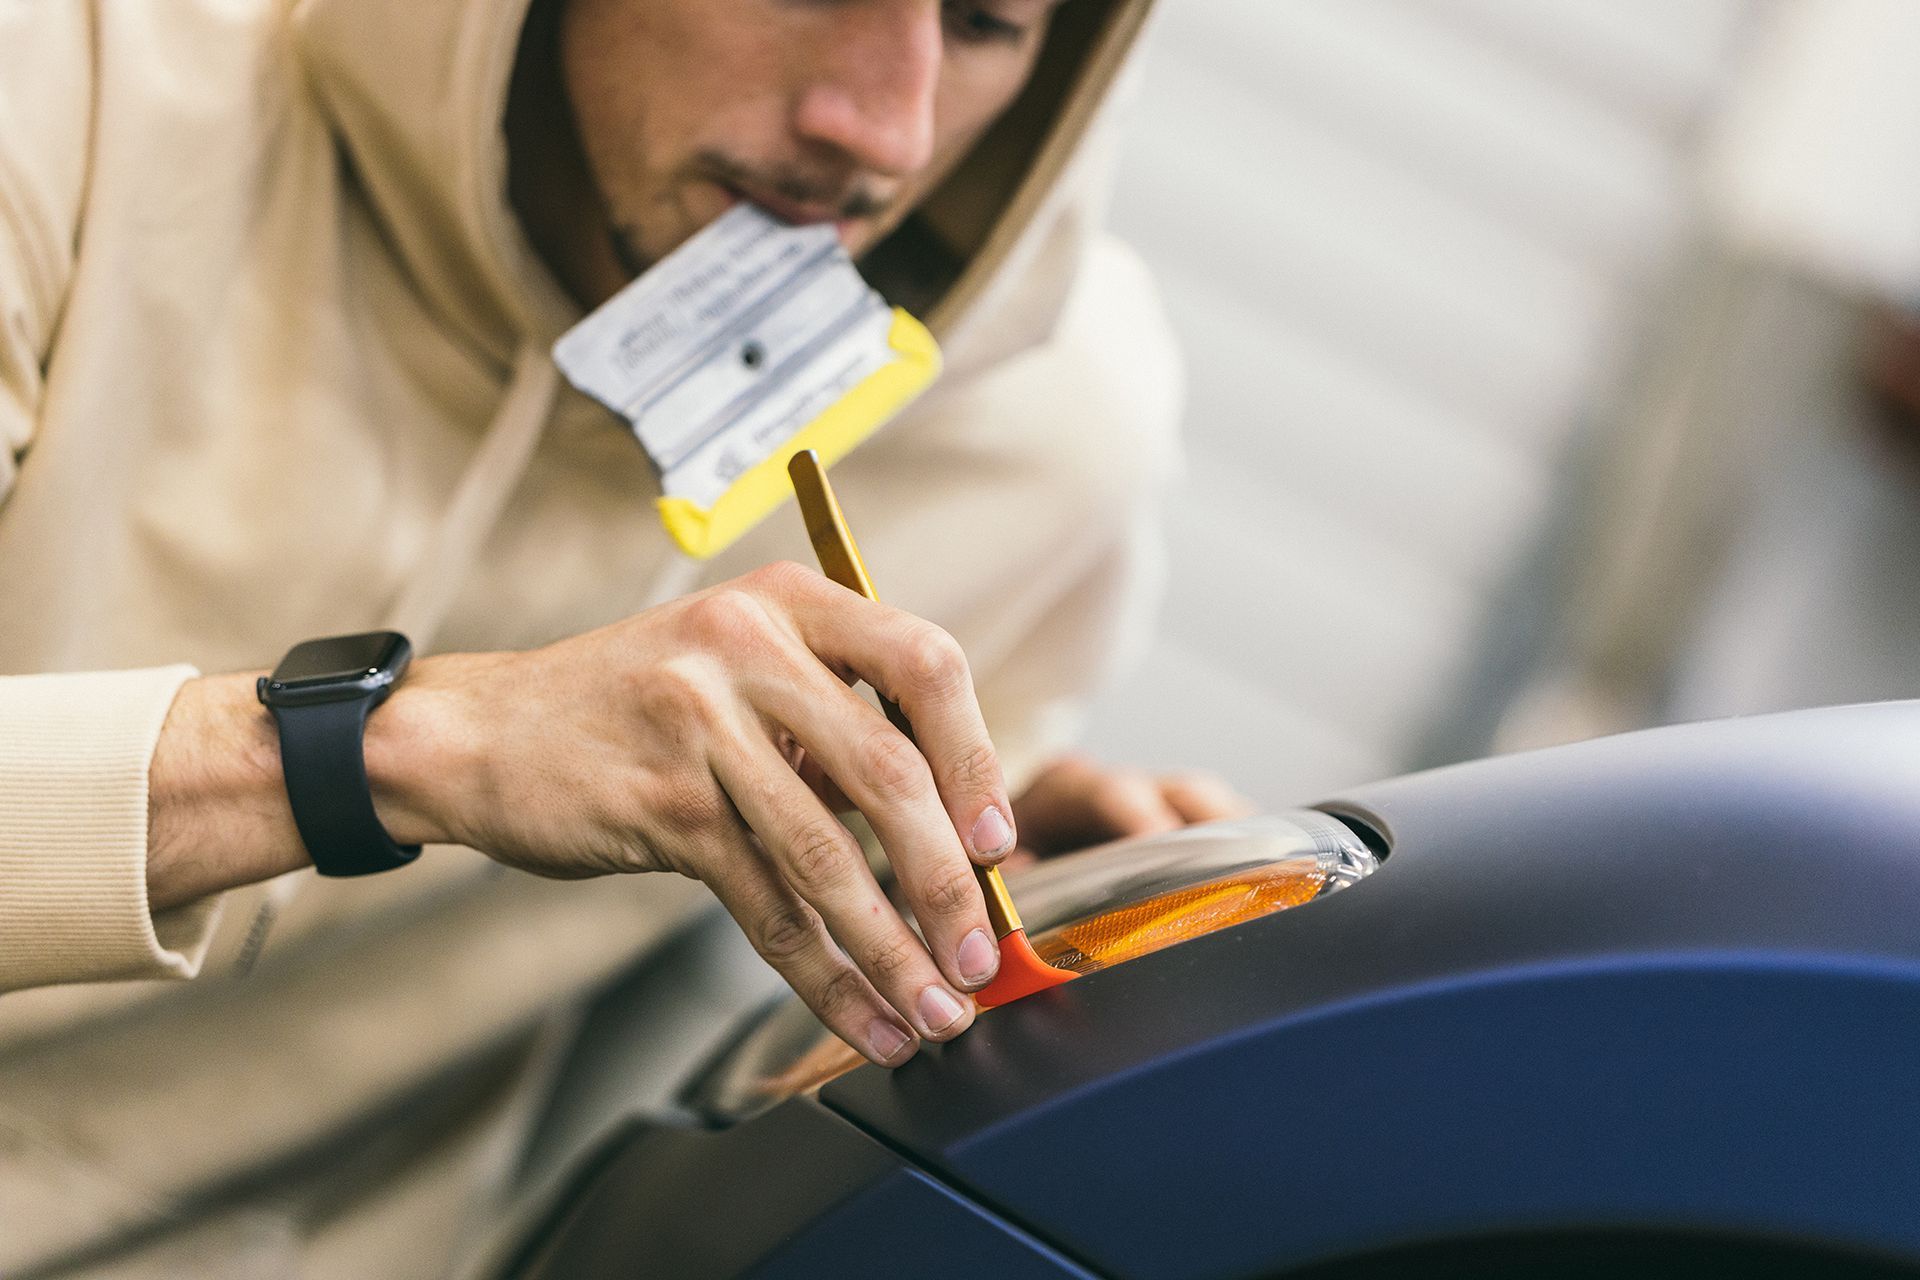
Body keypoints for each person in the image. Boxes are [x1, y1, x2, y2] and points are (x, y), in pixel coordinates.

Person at [0, 0, 1243, 1273]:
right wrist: (404, 746)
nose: (884, 130)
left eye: (986, 21)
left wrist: (983, 847)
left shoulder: (1044, 437)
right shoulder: (75, 66)